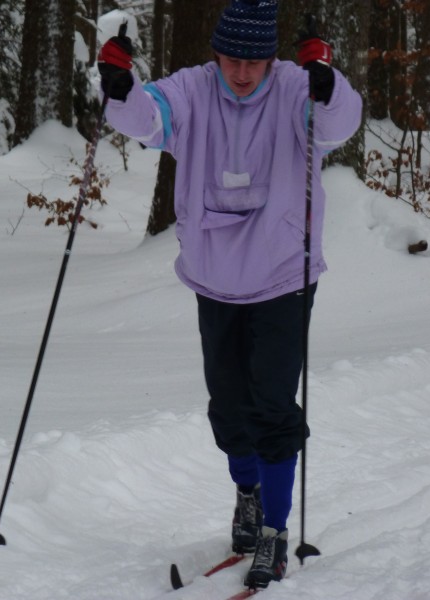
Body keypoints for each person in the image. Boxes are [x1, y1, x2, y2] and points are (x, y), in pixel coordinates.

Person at [98, 0, 362, 589]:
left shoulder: (295, 87)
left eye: (254, 61)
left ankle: (274, 530)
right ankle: (248, 495)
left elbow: (339, 125)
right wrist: (120, 86)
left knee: (272, 404)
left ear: (271, 58)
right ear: (217, 54)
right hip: (215, 277)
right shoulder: (192, 90)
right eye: (232, 60)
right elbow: (147, 118)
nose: (242, 73)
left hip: (281, 275)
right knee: (227, 405)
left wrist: (328, 86)